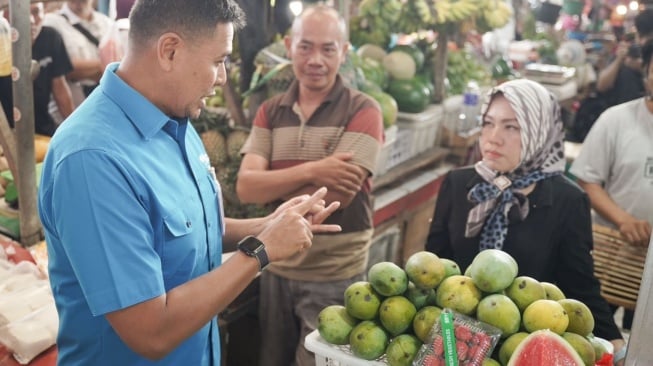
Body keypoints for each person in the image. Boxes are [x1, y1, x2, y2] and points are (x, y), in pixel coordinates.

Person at [37, 1, 342, 365]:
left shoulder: (173, 117)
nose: (223, 77)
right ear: (169, 51)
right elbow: (151, 331)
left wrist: (268, 225)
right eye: (218, 61)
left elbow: (181, 230)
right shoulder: (92, 159)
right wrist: (261, 251)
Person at [424, 79, 626, 360]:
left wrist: (616, 344)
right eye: (488, 123)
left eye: (511, 127)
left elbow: (580, 286)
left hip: (523, 347)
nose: (493, 137)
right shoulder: (460, 185)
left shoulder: (568, 200)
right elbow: (432, 268)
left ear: (539, 132)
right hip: (454, 344)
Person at [236, 5, 384, 365]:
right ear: (289, 46)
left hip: (333, 270)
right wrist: (315, 169)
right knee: (272, 357)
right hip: (276, 264)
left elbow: (332, 199)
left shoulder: (364, 110)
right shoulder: (270, 110)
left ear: (344, 52)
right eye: (305, 47)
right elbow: (246, 188)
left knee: (316, 361)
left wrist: (271, 182)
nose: (315, 59)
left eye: (328, 48)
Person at [570, 40, 653, 334]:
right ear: (647, 70)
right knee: (597, 335)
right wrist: (625, 220)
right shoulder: (616, 120)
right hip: (613, 254)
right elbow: (588, 180)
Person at [0, 3, 74, 136]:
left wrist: (76, 128)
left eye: (35, 12)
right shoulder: (2, 45)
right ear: (5, 16)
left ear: (44, 12)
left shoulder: (51, 37)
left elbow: (60, 87)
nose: (31, 20)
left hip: (43, 129)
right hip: (6, 135)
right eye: (23, 14)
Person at [43, 0, 113, 121]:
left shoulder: (107, 23)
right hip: (68, 113)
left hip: (104, 107)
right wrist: (108, 67)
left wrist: (90, 69)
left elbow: (121, 65)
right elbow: (65, 68)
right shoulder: (52, 22)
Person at [595, 9, 653, 107]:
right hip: (622, 111)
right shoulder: (628, 52)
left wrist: (640, 67)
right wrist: (619, 60)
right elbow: (601, 86)